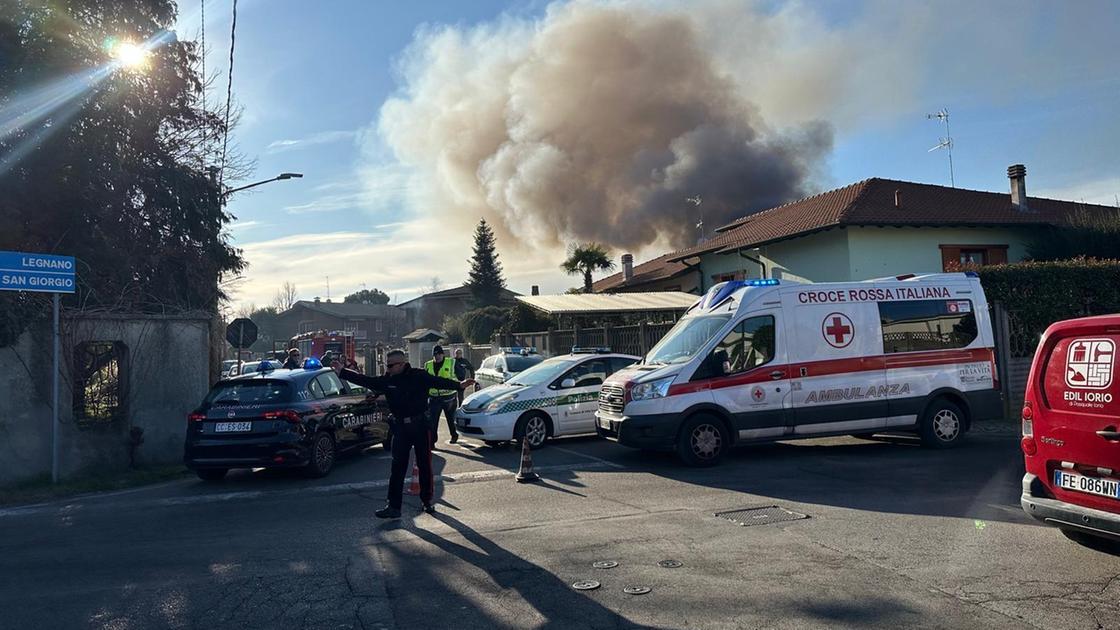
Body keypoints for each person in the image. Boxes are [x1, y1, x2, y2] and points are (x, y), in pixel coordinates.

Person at [339, 350, 473, 518]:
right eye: (386, 365)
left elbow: (438, 382)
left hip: (420, 426)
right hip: (401, 428)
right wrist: (343, 372)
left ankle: (426, 501)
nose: (387, 369)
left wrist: (459, 385)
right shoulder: (388, 380)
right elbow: (367, 381)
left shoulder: (418, 376)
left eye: (390, 365)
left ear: (402, 364)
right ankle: (394, 507)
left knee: (424, 465)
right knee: (397, 467)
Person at [425, 345, 460, 446]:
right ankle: (432, 441)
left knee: (450, 418)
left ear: (443, 354)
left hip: (449, 397)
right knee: (433, 421)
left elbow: (460, 375)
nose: (437, 356)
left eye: (439, 354)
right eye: (435, 354)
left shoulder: (451, 362)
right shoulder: (428, 365)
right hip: (434, 397)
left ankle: (454, 435)